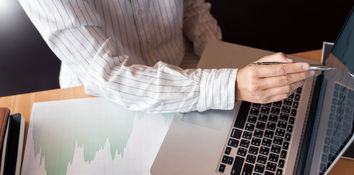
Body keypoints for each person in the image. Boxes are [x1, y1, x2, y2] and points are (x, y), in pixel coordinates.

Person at [19, 0, 314, 113]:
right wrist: (229, 85)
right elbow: (108, 76)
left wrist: (222, 60)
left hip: (189, 76)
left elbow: (193, 7)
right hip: (105, 102)